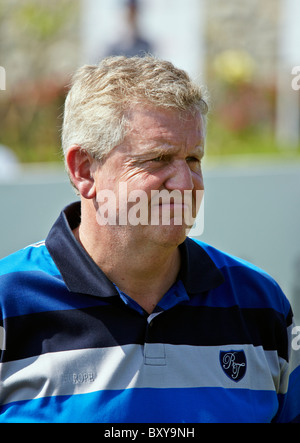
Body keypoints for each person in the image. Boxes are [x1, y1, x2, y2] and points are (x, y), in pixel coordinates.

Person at [0, 55, 299, 423]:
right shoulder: (8, 303)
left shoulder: (260, 305)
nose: (186, 185)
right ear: (84, 170)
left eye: (193, 159)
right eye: (158, 159)